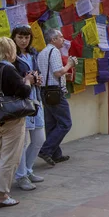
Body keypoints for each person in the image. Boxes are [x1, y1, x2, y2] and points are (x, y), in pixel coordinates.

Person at [0, 37, 33, 208]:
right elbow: (24, 92)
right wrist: (28, 80)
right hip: (12, 119)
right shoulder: (9, 70)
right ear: (8, 51)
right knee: (10, 158)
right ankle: (1, 195)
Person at [11, 26, 45, 191]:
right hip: (22, 102)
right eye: (20, 37)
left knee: (39, 139)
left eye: (26, 37)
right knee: (22, 142)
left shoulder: (33, 54)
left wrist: (37, 80)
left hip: (36, 100)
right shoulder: (12, 57)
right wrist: (26, 80)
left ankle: (29, 169)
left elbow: (37, 73)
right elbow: (12, 80)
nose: (23, 41)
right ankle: (21, 175)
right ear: (14, 38)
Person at [37, 29, 76, 166]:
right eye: (60, 37)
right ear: (53, 39)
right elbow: (58, 72)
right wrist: (69, 65)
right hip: (54, 92)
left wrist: (65, 75)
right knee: (65, 123)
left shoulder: (42, 52)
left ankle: (56, 154)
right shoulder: (54, 52)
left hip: (45, 90)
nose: (63, 39)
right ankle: (46, 150)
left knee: (52, 124)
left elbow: (50, 73)